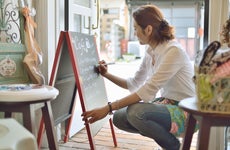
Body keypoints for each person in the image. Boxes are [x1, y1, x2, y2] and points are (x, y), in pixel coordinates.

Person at [82, 4, 195, 150]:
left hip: (187, 112)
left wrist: (108, 107)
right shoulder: (150, 52)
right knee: (119, 117)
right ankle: (168, 140)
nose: (134, 33)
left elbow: (146, 91)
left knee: (136, 112)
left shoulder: (173, 51)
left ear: (148, 29)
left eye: (135, 28)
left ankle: (172, 146)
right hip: (167, 105)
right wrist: (106, 74)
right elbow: (134, 83)